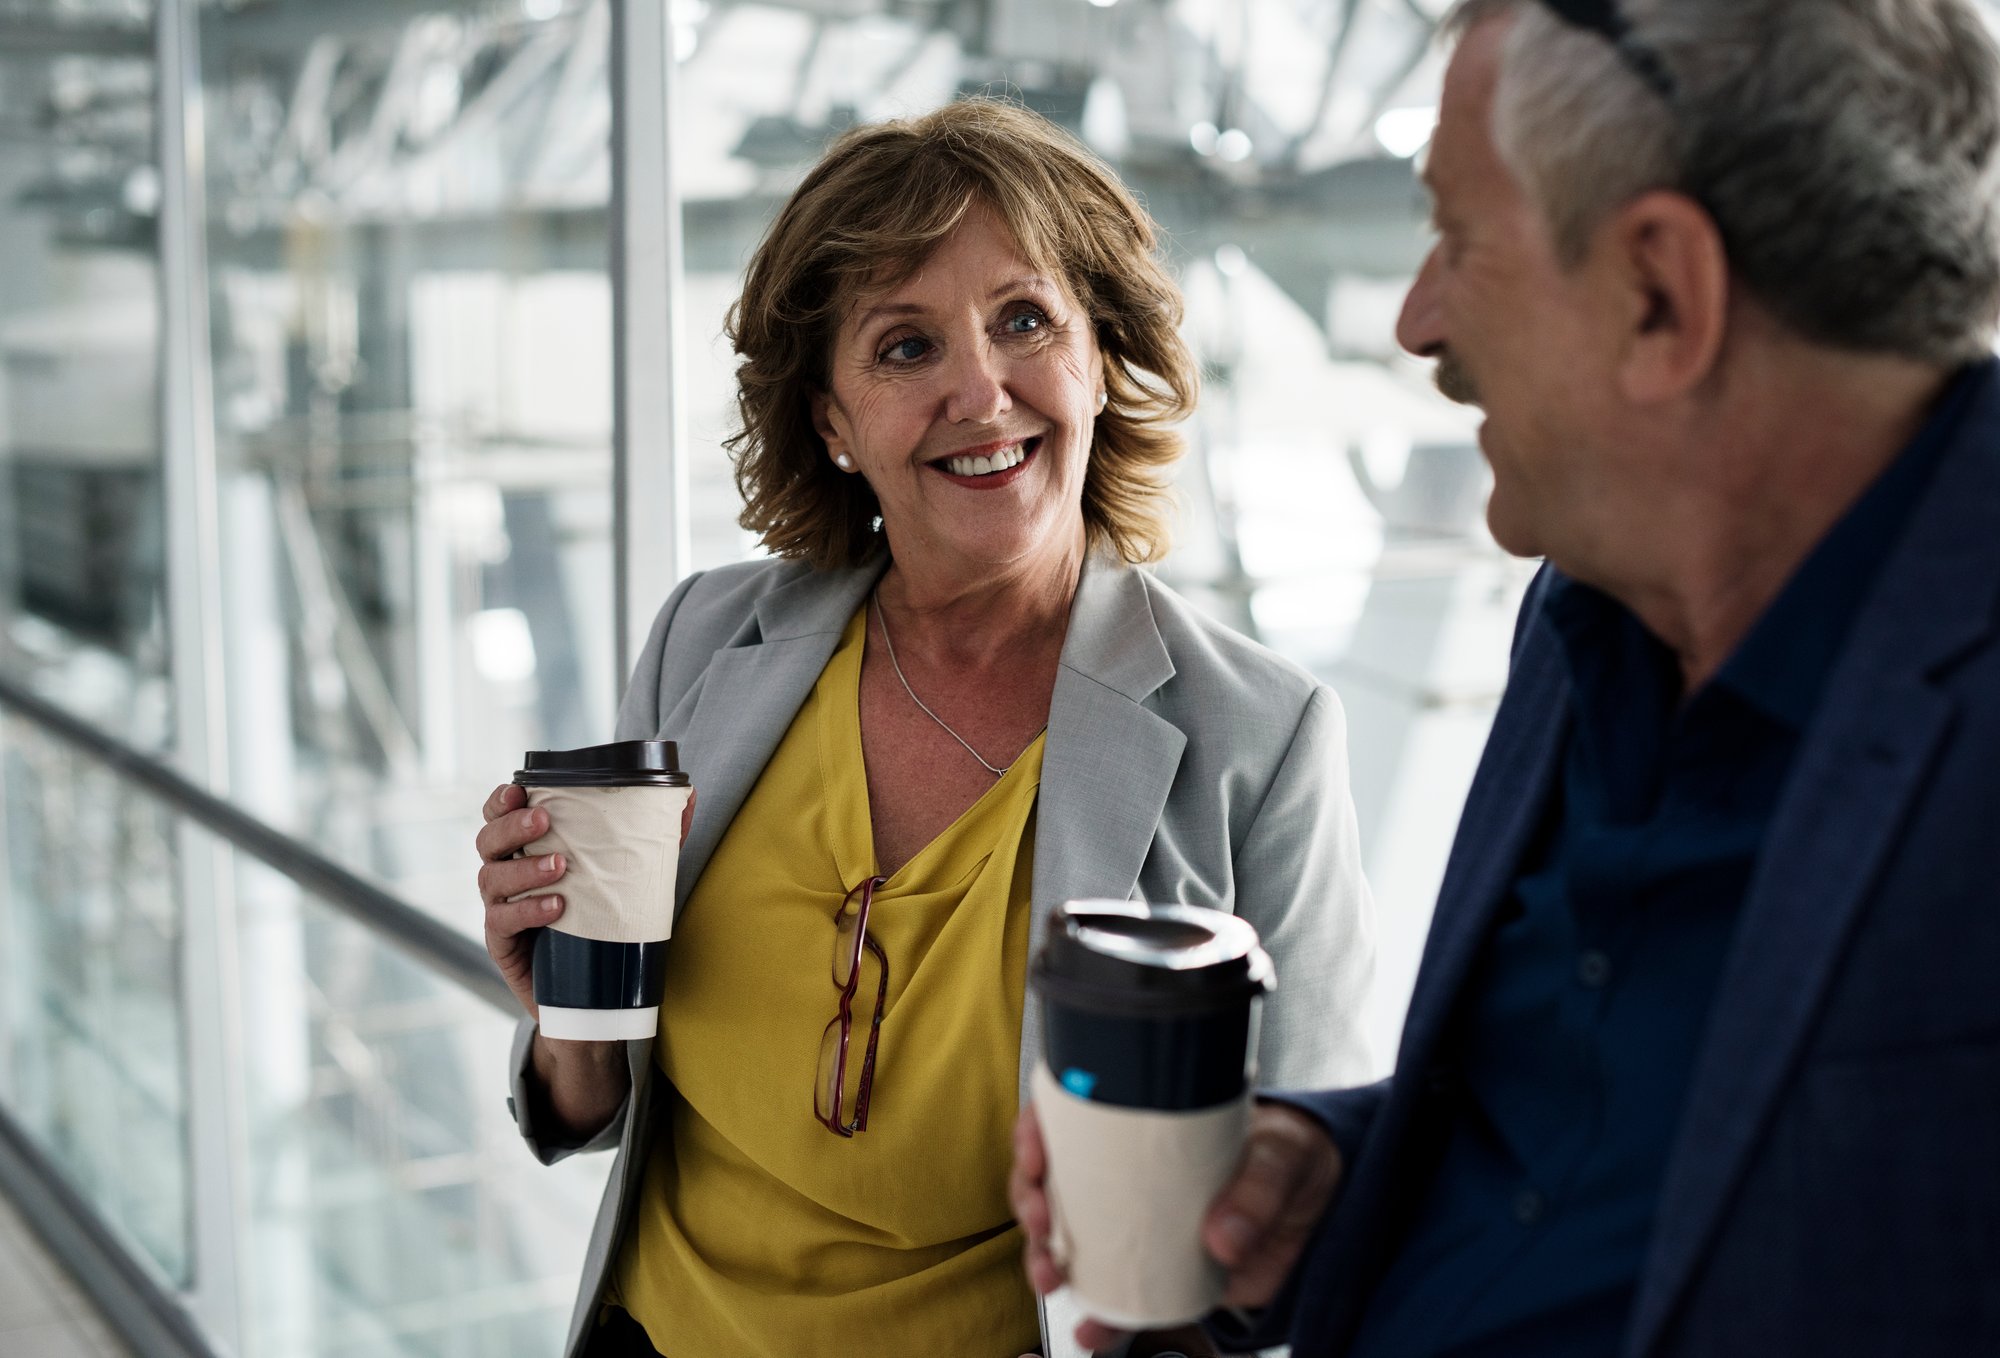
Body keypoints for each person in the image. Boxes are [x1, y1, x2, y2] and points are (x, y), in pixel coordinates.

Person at [1013, 0, 2000, 1353]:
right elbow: (1596, 1147)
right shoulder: (1580, 607)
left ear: (1658, 293)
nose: (1417, 321)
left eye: (1459, 239)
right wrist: (1333, 1169)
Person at [474, 98, 1377, 1358]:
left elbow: (1302, 1215)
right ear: (832, 424)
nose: (979, 389)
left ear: (1100, 358)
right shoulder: (704, 639)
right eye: (904, 347)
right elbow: (593, 1101)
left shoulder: (1259, 737)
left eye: (1024, 320)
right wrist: (566, 1013)